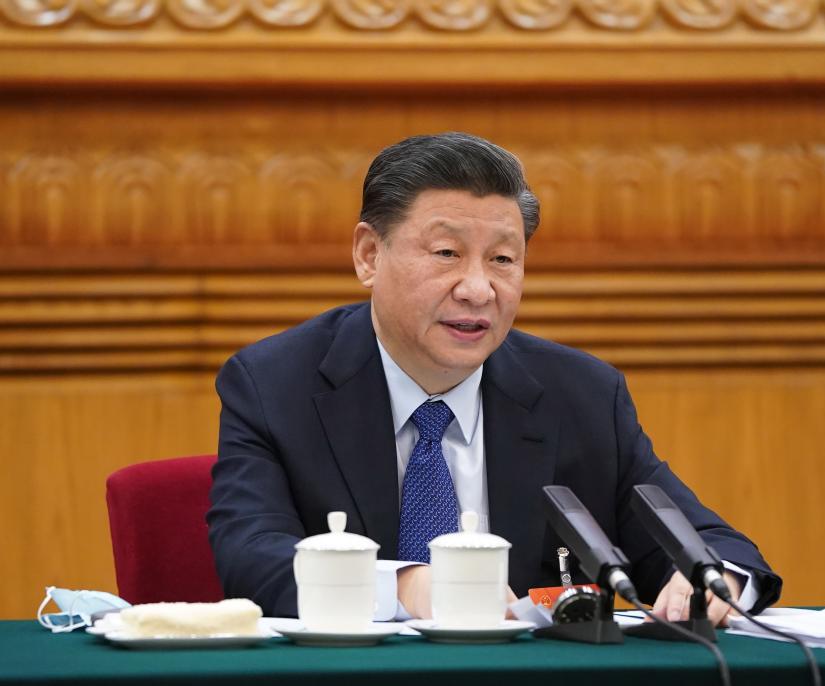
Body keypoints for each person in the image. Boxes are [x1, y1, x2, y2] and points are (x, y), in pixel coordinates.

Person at [208, 132, 782, 624]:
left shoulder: (581, 395)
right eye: (446, 253)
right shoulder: (273, 385)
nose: (479, 289)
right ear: (368, 255)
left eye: (503, 259)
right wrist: (405, 587)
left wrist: (717, 581)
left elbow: (712, 545)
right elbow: (251, 556)